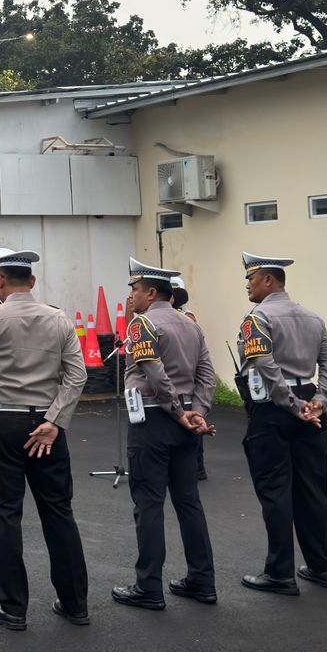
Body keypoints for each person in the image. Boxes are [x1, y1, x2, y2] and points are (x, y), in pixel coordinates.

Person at [0, 248, 89, 630]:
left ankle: (14, 608)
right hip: (47, 425)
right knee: (58, 512)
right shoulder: (59, 319)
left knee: (6, 515)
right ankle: (75, 604)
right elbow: (77, 376)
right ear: (32, 281)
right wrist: (54, 420)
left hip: (3, 423)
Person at [111, 259, 218, 610]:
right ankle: (202, 580)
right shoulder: (190, 325)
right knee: (188, 502)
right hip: (186, 420)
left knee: (149, 504)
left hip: (154, 420)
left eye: (135, 290)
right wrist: (197, 412)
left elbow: (154, 373)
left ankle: (148, 587)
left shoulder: (142, 324)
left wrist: (177, 410)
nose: (131, 297)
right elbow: (207, 373)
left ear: (151, 292)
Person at [237, 251, 327, 595]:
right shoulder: (313, 317)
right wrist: (321, 400)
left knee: (275, 490)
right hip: (310, 404)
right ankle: (322, 567)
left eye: (251, 279)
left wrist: (292, 405)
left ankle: (280, 573)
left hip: (274, 406)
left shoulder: (257, 318)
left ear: (268, 280)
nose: (247, 285)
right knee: (312, 489)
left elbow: (265, 365)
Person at [171, 276, 208, 480]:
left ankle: (197, 466)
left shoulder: (188, 316)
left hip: (189, 376)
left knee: (193, 417)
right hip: (177, 376)